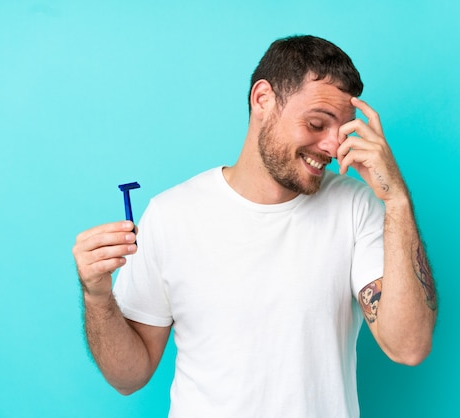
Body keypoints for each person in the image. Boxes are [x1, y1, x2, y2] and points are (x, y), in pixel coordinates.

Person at [72, 34, 437, 417]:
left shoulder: (355, 206)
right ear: (263, 99)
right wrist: (97, 297)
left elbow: (408, 345)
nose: (332, 146)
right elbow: (128, 377)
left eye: (343, 130)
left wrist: (396, 199)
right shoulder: (171, 214)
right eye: (317, 123)